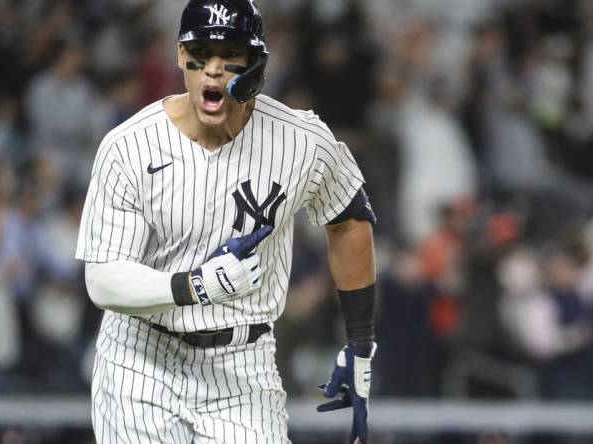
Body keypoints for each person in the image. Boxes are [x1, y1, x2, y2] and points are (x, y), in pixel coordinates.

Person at [76, 1, 378, 442]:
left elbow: (349, 220)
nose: (213, 70)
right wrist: (196, 285)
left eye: (230, 55)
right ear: (181, 56)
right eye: (201, 53)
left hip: (242, 365)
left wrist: (360, 342)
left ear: (256, 63)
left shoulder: (300, 140)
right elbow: (102, 279)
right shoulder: (130, 146)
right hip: (140, 358)